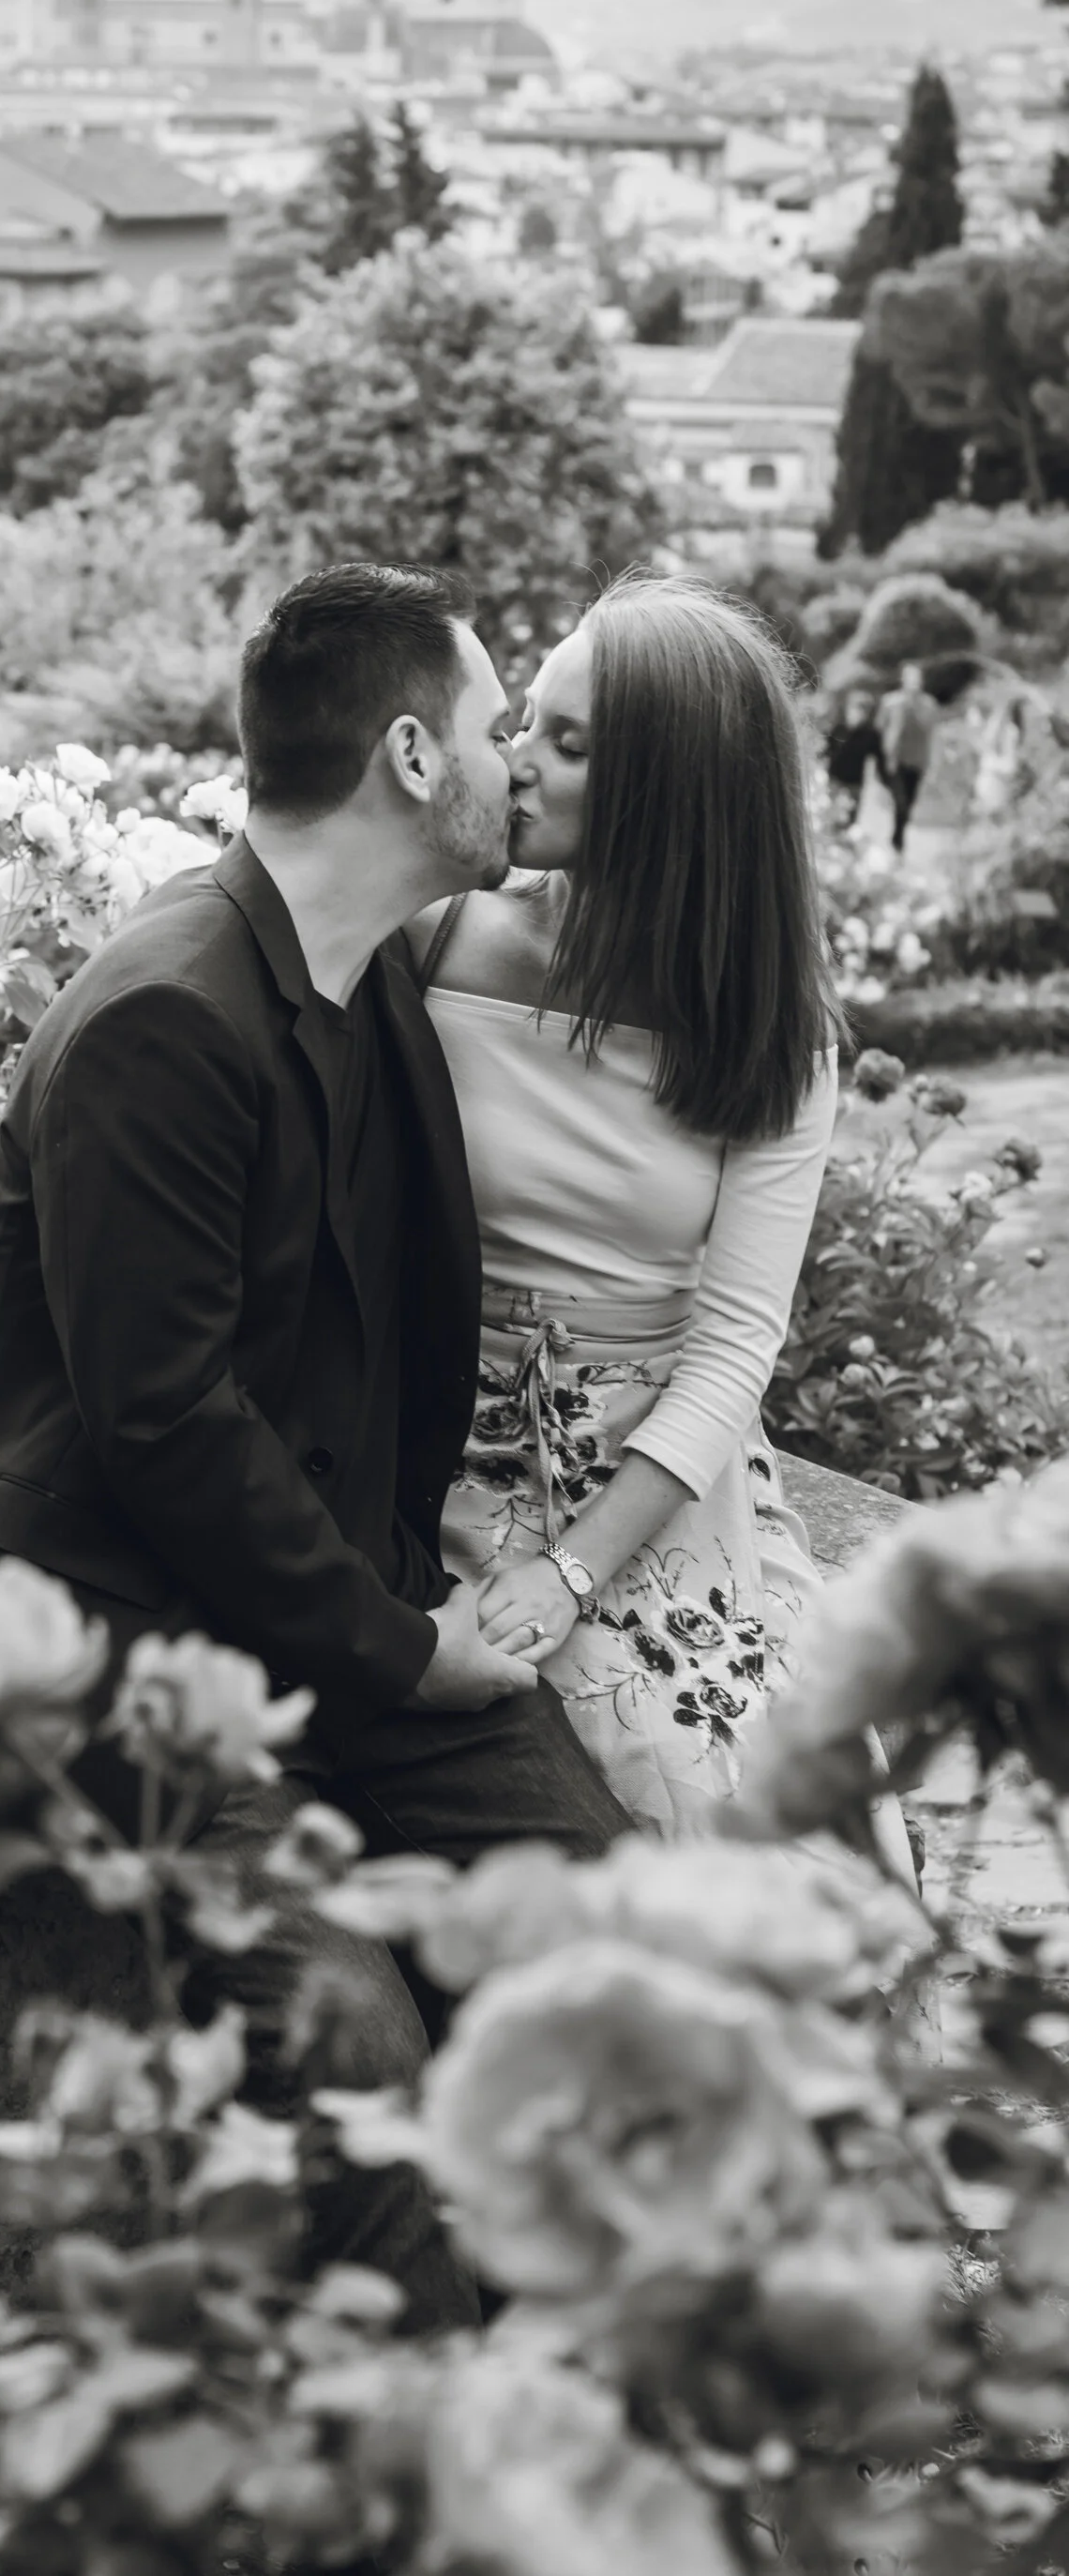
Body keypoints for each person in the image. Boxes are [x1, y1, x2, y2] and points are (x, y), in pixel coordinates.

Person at [0, 562, 630, 2323]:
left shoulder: (370, 971)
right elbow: (163, 1426)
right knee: (355, 2052)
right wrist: (408, 1647)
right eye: (492, 725)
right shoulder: (166, 1013)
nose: (519, 758)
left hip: (320, 1614)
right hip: (123, 1640)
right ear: (407, 755)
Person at [411, 573, 838, 1837]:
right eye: (525, 721)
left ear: (671, 791)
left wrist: (580, 1564)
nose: (516, 762)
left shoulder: (772, 1033)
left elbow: (735, 1345)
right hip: (442, 1454)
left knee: (764, 1806)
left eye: (569, 742)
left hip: (653, 1477)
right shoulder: (437, 945)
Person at [880, 659, 939, 852]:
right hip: (894, 761)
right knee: (901, 802)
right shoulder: (890, 702)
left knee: (908, 804)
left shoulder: (929, 705)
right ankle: (897, 843)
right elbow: (880, 728)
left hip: (917, 761)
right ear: (903, 679)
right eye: (910, 677)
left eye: (917, 677)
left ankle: (898, 836)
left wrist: (931, 764)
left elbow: (930, 733)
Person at [822, 684, 883, 829]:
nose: (858, 712)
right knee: (832, 814)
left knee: (850, 819)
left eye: (863, 709)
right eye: (855, 707)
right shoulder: (838, 728)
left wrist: (884, 780)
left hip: (855, 781)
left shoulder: (871, 734)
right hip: (835, 777)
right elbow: (826, 749)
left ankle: (846, 841)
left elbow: (879, 757)